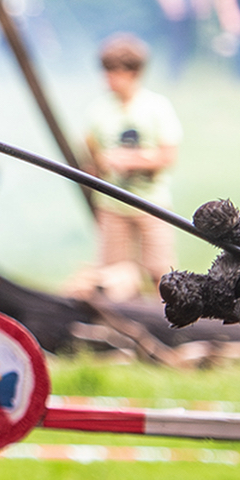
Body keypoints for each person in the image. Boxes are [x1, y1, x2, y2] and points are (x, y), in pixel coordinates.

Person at [81, 33, 182, 292]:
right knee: (114, 275)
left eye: (115, 73)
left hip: (152, 203)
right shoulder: (98, 110)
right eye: (107, 73)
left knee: (162, 272)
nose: (109, 80)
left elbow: (168, 156)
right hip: (113, 205)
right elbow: (91, 156)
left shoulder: (156, 107)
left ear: (134, 73)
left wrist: (132, 160)